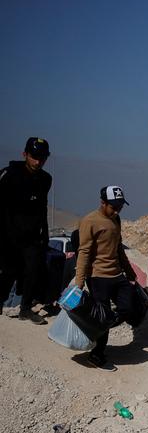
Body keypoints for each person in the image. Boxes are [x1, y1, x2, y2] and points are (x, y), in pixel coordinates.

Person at [75, 186, 143, 370]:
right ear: (102, 203)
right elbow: (84, 252)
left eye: (120, 206)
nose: (117, 210)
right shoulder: (89, 221)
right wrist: (79, 283)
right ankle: (97, 355)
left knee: (128, 308)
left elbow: (119, 248)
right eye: (113, 206)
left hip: (117, 275)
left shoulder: (116, 219)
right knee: (103, 316)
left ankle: (98, 329)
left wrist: (129, 273)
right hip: (97, 277)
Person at [0, 137, 53, 324]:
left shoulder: (45, 179)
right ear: (25, 155)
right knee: (8, 273)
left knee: (32, 271)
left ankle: (25, 309)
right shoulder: (9, 175)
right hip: (8, 235)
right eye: (34, 157)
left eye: (42, 158)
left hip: (31, 237)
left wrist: (44, 235)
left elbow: (43, 208)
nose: (38, 162)